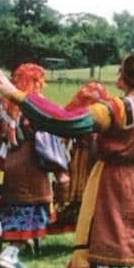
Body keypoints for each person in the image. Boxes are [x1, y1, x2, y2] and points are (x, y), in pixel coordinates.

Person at [0, 53, 134, 268]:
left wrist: (18, 95)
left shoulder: (118, 109)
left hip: (115, 187)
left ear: (122, 79)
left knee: (111, 243)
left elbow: (65, 121)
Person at [0, 63, 67, 268]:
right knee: (29, 211)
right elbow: (48, 142)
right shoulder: (36, 107)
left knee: (1, 213)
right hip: (28, 169)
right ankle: (11, 254)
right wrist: (61, 171)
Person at [47, 82, 109, 236]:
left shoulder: (87, 114)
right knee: (83, 195)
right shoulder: (92, 114)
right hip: (83, 158)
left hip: (85, 157)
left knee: (86, 195)